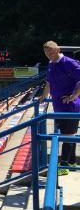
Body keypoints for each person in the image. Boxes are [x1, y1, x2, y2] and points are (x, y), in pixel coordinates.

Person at [38, 41, 80, 175]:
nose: (49, 54)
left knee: (67, 135)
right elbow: (49, 83)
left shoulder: (69, 63)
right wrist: (43, 96)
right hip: (59, 106)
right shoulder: (51, 64)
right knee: (69, 134)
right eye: (46, 52)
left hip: (70, 106)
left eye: (51, 51)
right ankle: (72, 161)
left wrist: (74, 96)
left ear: (58, 50)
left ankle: (63, 166)